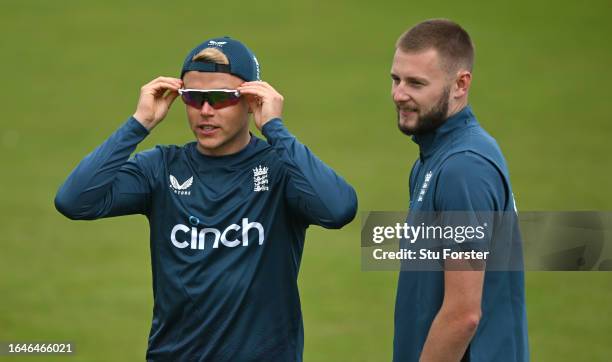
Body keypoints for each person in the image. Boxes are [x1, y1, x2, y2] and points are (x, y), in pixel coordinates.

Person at [55, 36, 357, 361]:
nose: (206, 111)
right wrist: (138, 124)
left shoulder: (281, 168)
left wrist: (275, 128)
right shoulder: (160, 168)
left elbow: (338, 209)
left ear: (251, 98)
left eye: (220, 98)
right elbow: (75, 201)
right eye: (194, 98)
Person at [390, 20, 529, 361]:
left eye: (416, 83)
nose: (398, 94)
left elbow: (463, 314)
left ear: (460, 84)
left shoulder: (463, 168)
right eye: (396, 79)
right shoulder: (435, 157)